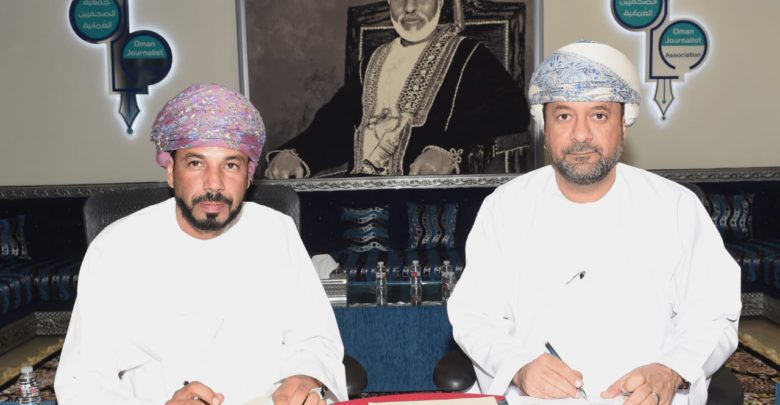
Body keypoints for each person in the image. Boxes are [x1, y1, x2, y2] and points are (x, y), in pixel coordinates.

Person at [446, 41, 741, 405]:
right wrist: (518, 367)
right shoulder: (505, 208)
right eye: (564, 116)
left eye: (598, 115)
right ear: (545, 129)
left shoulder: (676, 207)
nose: (581, 135)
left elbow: (714, 315)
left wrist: (671, 370)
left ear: (624, 125)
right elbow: (475, 315)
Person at [54, 83, 348, 405]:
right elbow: (82, 382)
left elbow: (315, 337)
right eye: (196, 163)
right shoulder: (116, 249)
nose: (214, 184)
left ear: (249, 176)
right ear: (171, 172)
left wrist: (306, 376)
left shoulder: (276, 232)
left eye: (231, 165)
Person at [265, 0, 529, 178]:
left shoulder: (468, 55)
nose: (410, 7)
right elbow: (335, 124)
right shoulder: (372, 61)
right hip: (360, 199)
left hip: (430, 204)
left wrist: (448, 149)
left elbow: (513, 111)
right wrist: (296, 154)